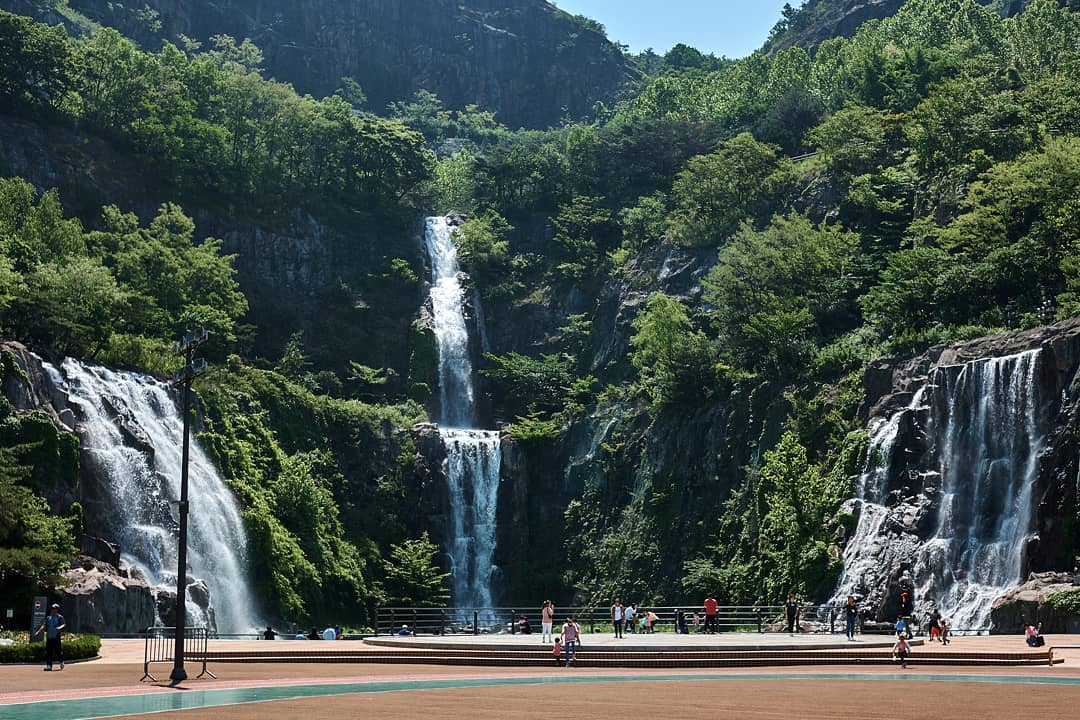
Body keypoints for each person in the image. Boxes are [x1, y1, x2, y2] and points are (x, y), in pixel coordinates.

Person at [37, 603, 66, 671]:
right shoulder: (48, 618)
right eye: (52, 608)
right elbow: (44, 626)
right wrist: (38, 631)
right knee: (48, 652)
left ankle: (61, 661)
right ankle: (49, 666)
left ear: (57, 609)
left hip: (56, 637)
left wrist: (59, 627)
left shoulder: (60, 617)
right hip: (49, 637)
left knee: (58, 651)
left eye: (54, 608)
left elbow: (64, 624)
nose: (52, 609)